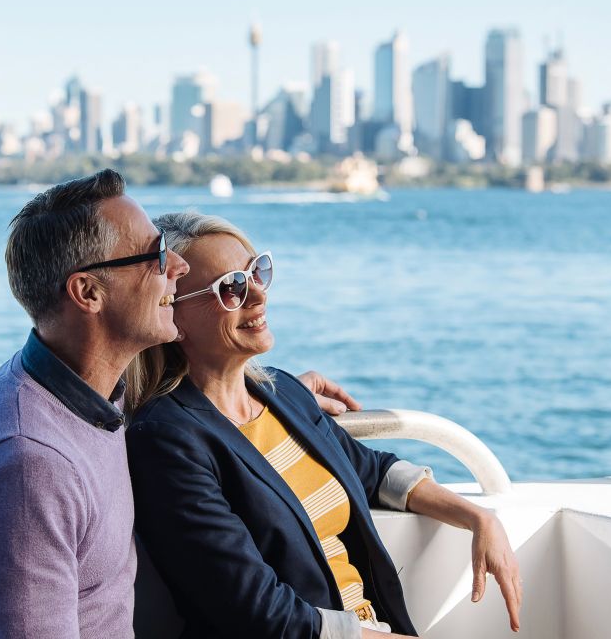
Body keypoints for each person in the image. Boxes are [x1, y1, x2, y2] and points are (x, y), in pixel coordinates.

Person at [0, 170, 360, 638]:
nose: (178, 267)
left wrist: (279, 400)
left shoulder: (90, 400)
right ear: (88, 293)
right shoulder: (27, 465)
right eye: (156, 255)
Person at [126, 212, 523, 639]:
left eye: (256, 272)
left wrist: (478, 517)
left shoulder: (282, 393)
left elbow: (372, 470)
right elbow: (256, 611)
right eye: (231, 288)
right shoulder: (166, 440)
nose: (258, 295)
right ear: (174, 316)